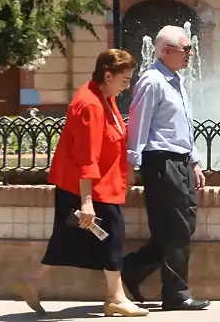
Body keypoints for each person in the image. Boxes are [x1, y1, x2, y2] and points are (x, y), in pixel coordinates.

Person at [12, 49, 149, 318]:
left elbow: (113, 139)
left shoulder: (103, 97)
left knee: (72, 239)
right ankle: (116, 298)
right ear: (107, 75)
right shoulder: (90, 105)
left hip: (100, 186)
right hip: (87, 191)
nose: (127, 85)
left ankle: (32, 279)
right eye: (124, 79)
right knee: (112, 236)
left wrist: (126, 169)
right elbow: (86, 158)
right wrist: (86, 203)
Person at [123, 25, 210, 311]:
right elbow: (138, 123)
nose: (190, 53)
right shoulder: (153, 81)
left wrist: (194, 161)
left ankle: (132, 268)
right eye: (186, 49)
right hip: (161, 161)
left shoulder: (175, 79)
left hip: (180, 161)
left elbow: (183, 124)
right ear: (166, 50)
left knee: (181, 226)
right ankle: (175, 294)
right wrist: (131, 165)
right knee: (176, 228)